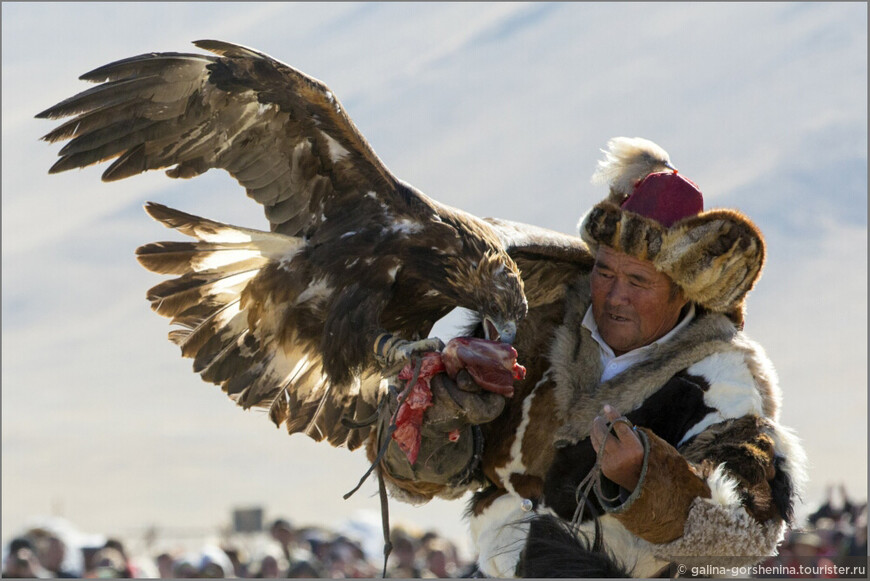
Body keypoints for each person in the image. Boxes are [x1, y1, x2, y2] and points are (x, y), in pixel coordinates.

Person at [367, 136, 807, 577]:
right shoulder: (535, 326)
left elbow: (745, 535)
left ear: (682, 291)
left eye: (638, 281)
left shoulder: (723, 382)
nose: (615, 296)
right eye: (604, 270)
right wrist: (437, 413)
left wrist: (644, 479)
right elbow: (430, 476)